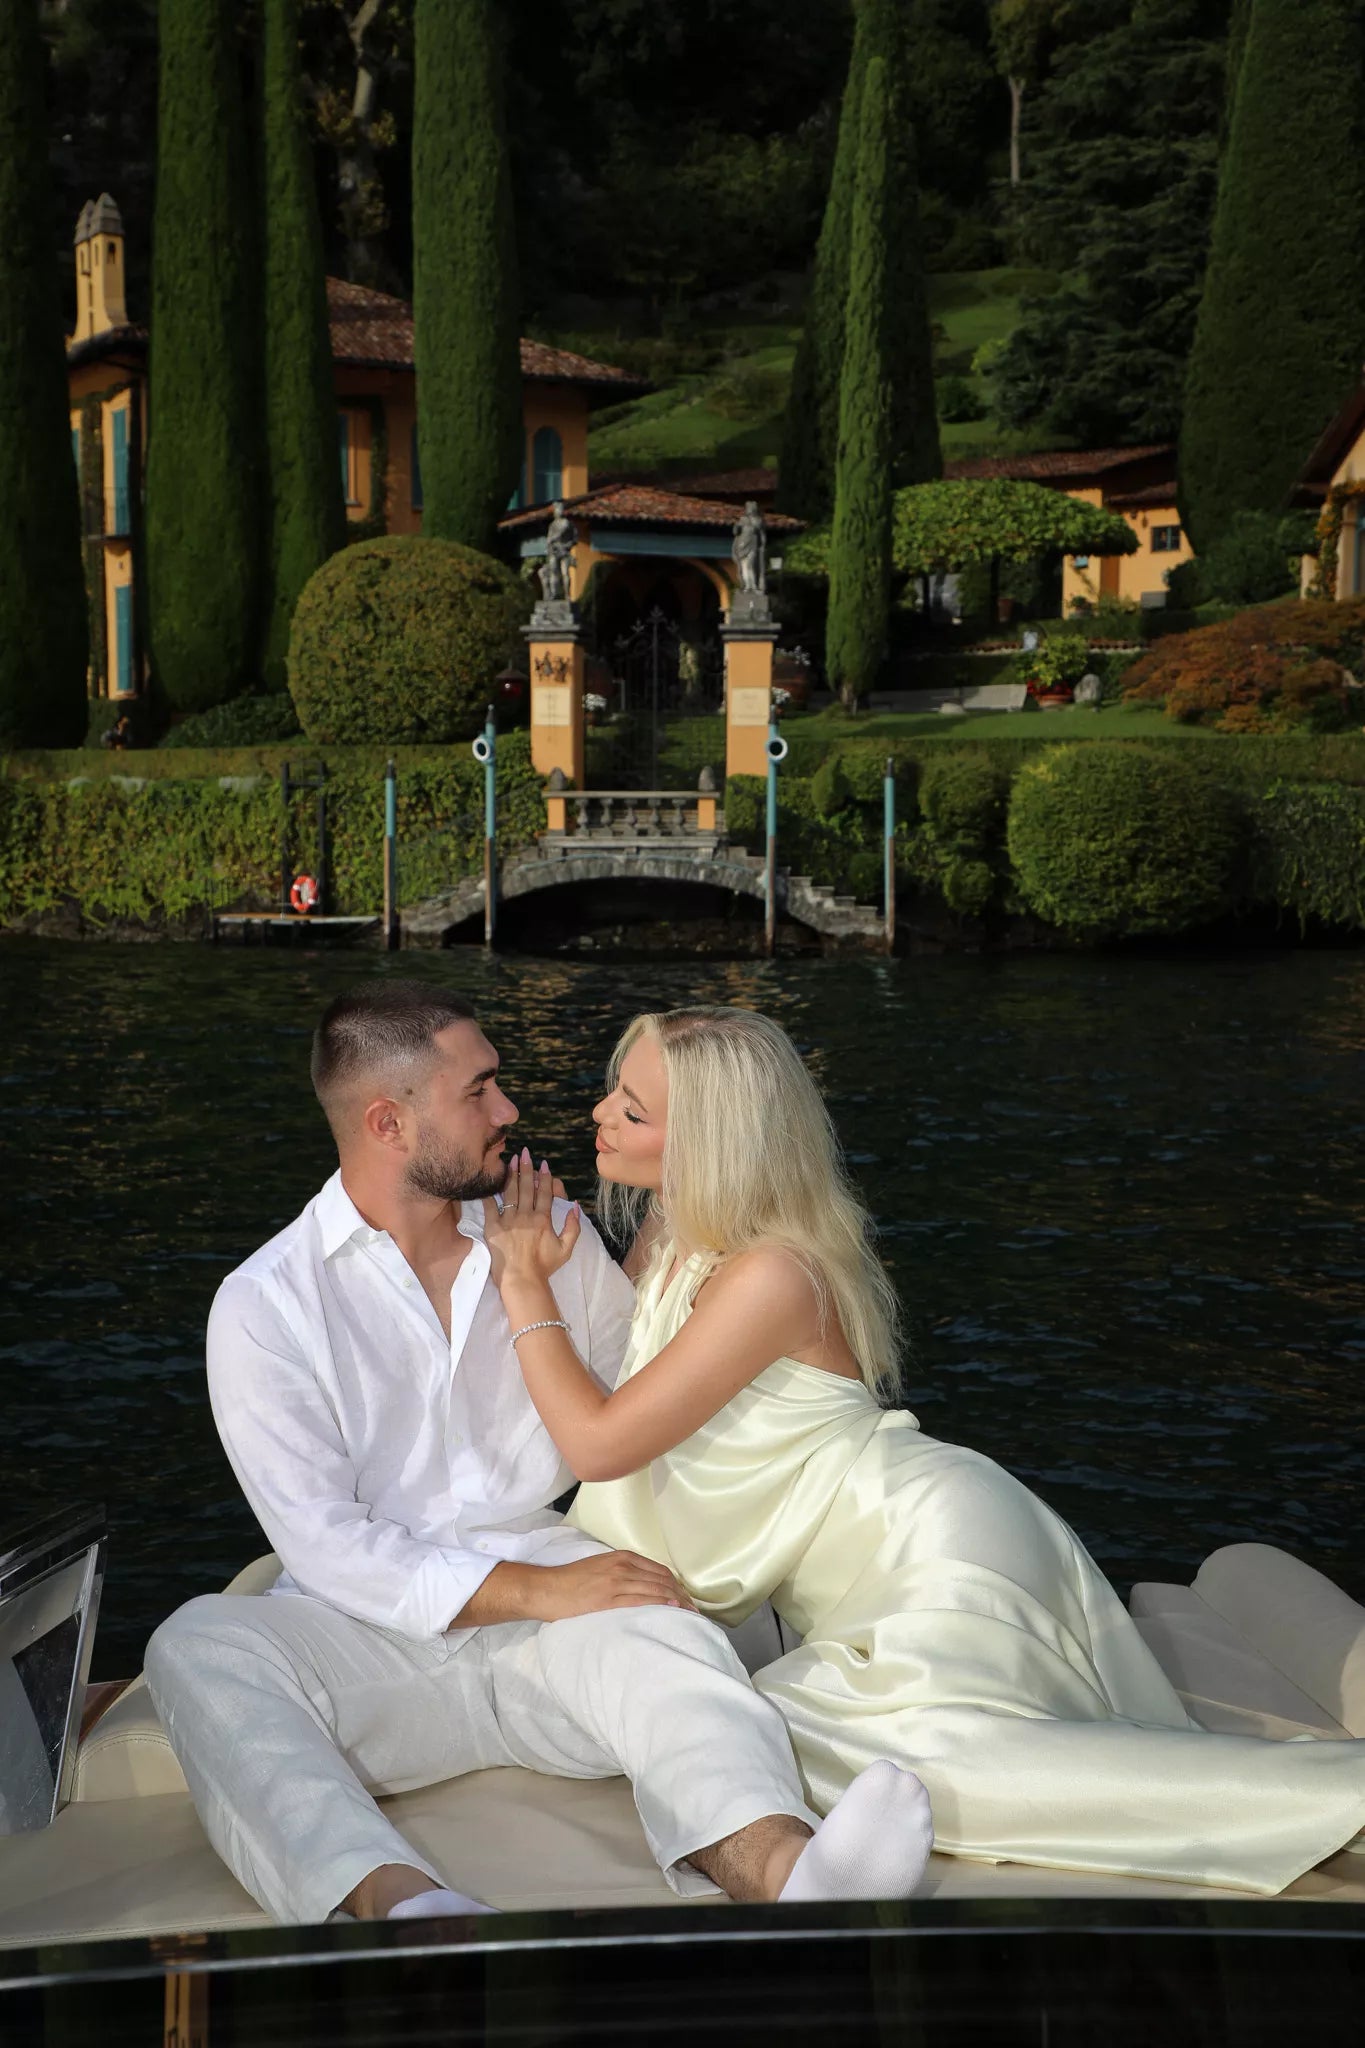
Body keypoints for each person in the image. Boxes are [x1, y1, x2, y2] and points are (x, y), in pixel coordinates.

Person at [483, 1006, 1365, 1898]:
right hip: (877, 1566)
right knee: (746, 1733)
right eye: (612, 1095)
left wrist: (523, 1283)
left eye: (632, 1111)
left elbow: (599, 1443)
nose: (598, 1115)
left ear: (710, 1143)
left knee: (887, 1759)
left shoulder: (770, 1275)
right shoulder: (672, 1237)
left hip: (929, 1549)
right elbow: (606, 1391)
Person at [144, 983, 932, 1928]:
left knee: (656, 1618)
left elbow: (630, 1388)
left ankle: (791, 1875)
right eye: (479, 1090)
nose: (509, 1111)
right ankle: (404, 1906)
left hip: (547, 1617)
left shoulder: (548, 1237)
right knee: (195, 1643)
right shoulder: (264, 1304)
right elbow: (322, 1543)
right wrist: (537, 1590)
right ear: (390, 1122)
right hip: (366, 1637)